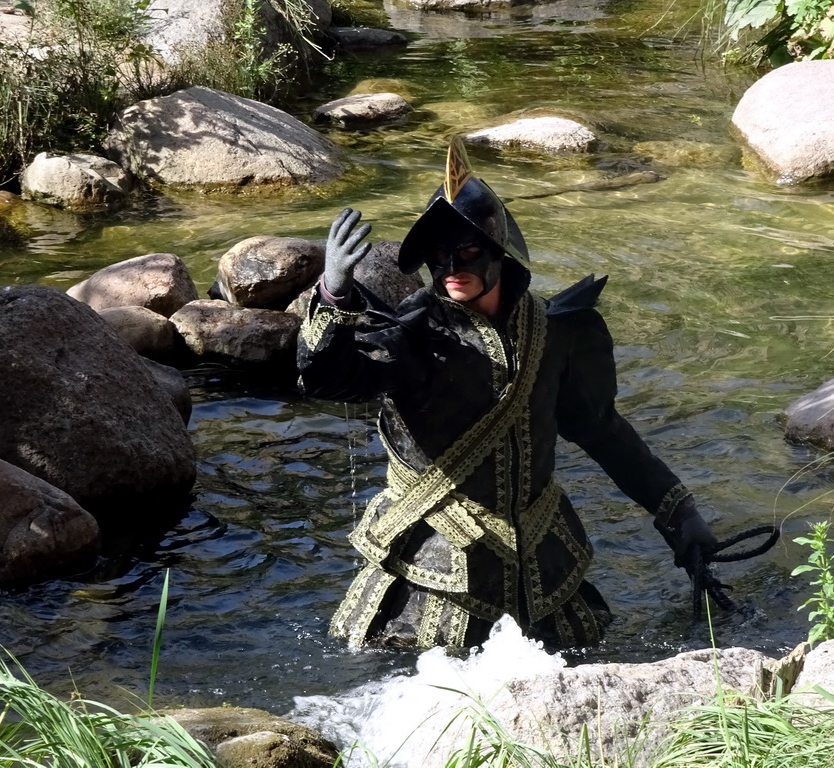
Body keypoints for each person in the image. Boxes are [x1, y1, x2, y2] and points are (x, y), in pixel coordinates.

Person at [297, 138, 723, 650]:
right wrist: (333, 294)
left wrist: (678, 513)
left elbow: (602, 430)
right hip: (436, 570)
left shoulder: (559, 331)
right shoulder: (410, 337)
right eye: (439, 253)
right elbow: (328, 380)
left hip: (544, 567)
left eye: (468, 251)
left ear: (500, 251)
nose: (452, 266)